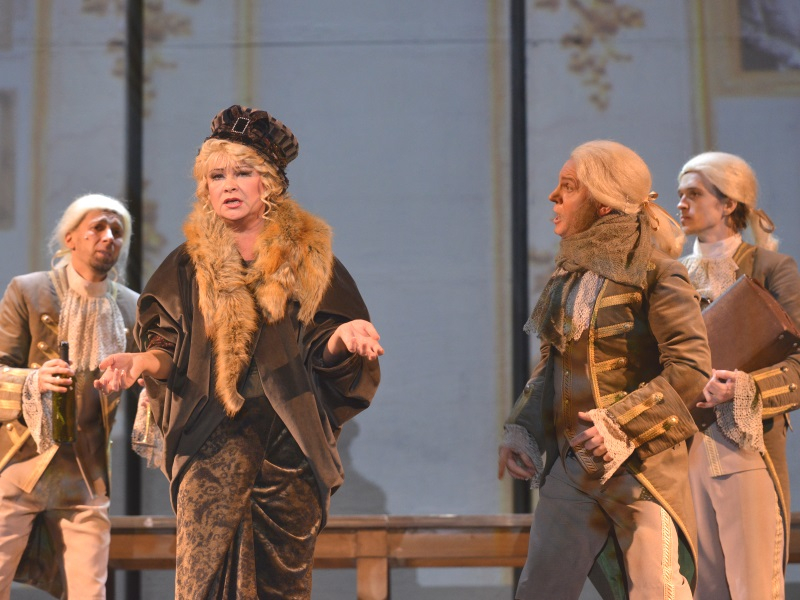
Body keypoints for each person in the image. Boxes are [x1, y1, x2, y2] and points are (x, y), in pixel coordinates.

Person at [95, 105, 383, 599]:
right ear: (204, 188)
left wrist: (344, 335)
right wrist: (140, 361)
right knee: (203, 583)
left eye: (242, 173)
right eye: (217, 175)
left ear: (268, 183)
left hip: (288, 450)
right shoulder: (187, 265)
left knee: (281, 588)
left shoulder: (309, 259)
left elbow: (323, 346)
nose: (228, 185)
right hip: (209, 444)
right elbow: (167, 347)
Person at [498, 140, 711, 599]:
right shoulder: (567, 279)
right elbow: (553, 367)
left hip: (643, 469)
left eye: (569, 186)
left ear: (603, 203)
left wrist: (620, 425)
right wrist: (524, 430)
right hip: (574, 467)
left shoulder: (658, 273)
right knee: (540, 590)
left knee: (657, 589)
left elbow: (691, 369)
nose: (553, 196)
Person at [0, 194, 138, 599]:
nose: (109, 237)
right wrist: (34, 380)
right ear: (70, 237)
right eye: (98, 227)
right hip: (22, 463)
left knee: (89, 592)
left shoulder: (130, 306)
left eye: (117, 231)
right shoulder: (29, 291)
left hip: (85, 473)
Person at [677, 151, 800, 599]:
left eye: (694, 193)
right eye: (680, 194)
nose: (682, 204)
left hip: (748, 446)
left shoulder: (770, 268)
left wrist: (745, 388)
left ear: (729, 203)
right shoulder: (671, 274)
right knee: (701, 586)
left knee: (754, 584)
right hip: (684, 447)